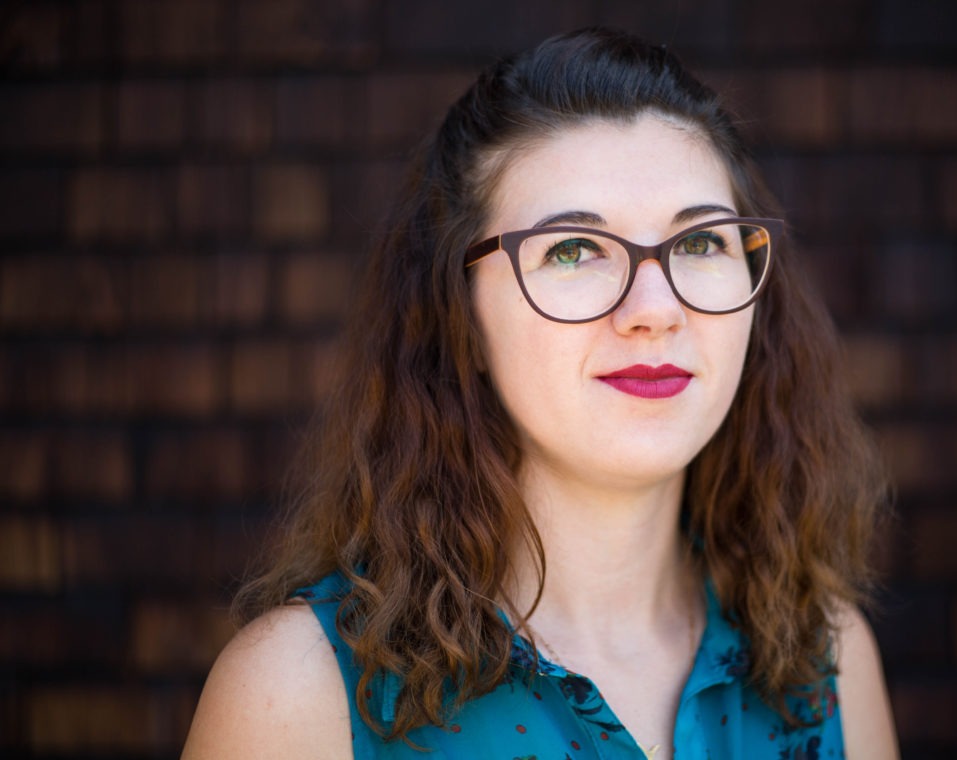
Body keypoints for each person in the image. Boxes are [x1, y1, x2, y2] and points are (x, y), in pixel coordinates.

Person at [182, 27, 897, 760]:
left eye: (699, 242)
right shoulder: (300, 694)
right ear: (457, 312)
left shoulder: (827, 663)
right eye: (573, 249)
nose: (655, 307)